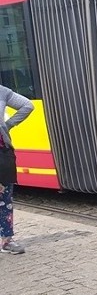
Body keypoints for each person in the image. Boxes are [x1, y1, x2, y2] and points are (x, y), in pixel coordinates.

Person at [0, 84, 34, 254]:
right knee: (4, 200)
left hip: (2, 153)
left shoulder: (2, 91)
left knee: (5, 198)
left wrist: (8, 125)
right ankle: (7, 241)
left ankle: (7, 240)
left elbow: (28, 105)